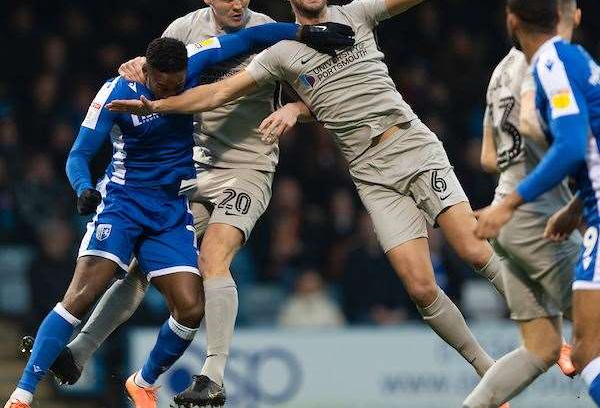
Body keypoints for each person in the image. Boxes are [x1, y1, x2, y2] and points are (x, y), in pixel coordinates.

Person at [108, 0, 514, 401]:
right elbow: (217, 91)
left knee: (469, 247)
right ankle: (493, 377)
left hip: (411, 146)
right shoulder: (280, 53)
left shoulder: (357, 15)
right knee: (421, 288)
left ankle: (553, 321)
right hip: (367, 172)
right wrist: (156, 105)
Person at [7, 23, 353, 408]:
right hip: (122, 203)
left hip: (171, 209)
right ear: (147, 72)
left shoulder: (194, 60)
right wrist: (82, 188)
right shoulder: (118, 90)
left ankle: (143, 382)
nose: (172, 94)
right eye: (163, 87)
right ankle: (23, 393)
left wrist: (307, 33)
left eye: (178, 86)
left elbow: (250, 38)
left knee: (190, 308)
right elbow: (79, 153)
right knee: (81, 295)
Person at [472, 0, 600, 408]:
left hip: (510, 218)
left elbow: (489, 157)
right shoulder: (545, 64)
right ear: (568, 16)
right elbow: (538, 127)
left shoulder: (499, 70)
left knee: (542, 348)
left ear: (513, 20)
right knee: (589, 341)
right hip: (533, 216)